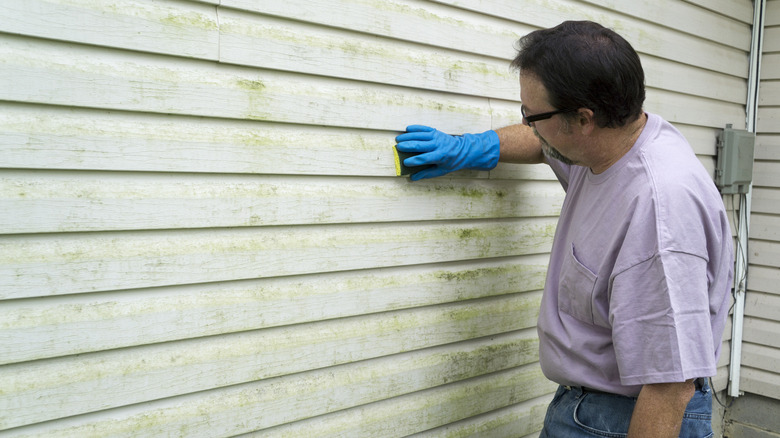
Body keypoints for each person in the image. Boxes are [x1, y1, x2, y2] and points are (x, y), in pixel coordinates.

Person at [395, 21, 733, 437]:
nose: (528, 124)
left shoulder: (659, 216)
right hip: (590, 408)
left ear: (584, 119)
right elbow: (545, 142)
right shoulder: (612, 143)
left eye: (531, 114)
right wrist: (474, 147)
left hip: (627, 420)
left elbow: (669, 384)